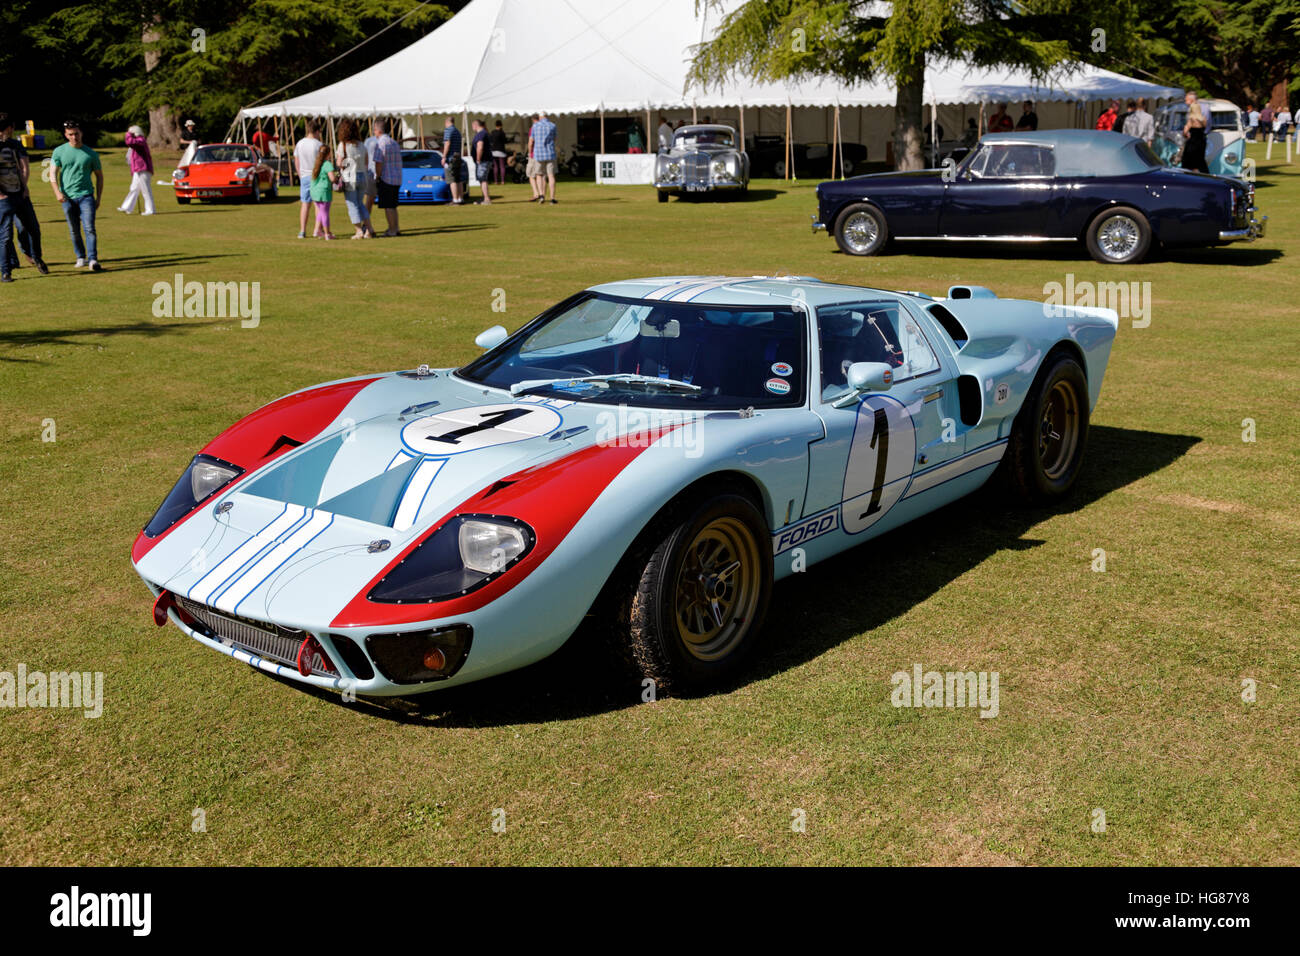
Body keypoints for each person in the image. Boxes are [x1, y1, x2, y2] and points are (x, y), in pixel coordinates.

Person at [50, 120, 103, 272]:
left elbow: (99, 176)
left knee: (89, 228)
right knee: (74, 229)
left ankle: (93, 260)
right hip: (67, 197)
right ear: (66, 135)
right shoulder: (59, 151)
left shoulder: (91, 154)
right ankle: (81, 257)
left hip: (86, 195)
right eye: (71, 134)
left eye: (76, 134)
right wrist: (57, 192)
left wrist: (98, 198)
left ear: (81, 133)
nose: (74, 137)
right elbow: (53, 174)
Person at [0, 112, 47, 282]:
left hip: (20, 194)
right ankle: (6, 271)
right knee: (5, 236)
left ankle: (37, 258)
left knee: (33, 229)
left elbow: (25, 167)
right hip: (3, 198)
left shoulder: (16, 145)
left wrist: (25, 187)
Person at [334, 118, 373, 239]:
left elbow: (340, 163)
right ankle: (369, 229)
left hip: (350, 177)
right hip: (362, 176)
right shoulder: (362, 145)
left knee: (352, 205)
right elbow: (366, 163)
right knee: (360, 204)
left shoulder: (343, 145)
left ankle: (359, 231)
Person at [372, 118, 402, 236]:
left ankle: (392, 230)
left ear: (377, 130)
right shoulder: (393, 142)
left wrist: (378, 177)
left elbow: (378, 163)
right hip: (397, 178)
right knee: (393, 206)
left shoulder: (380, 143)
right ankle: (396, 227)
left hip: (387, 178)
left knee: (388, 206)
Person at [293, 120, 323, 239]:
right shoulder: (318, 144)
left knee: (305, 204)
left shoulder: (300, 143)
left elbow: (296, 160)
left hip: (304, 176)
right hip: (316, 176)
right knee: (317, 204)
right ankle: (317, 229)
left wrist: (300, 174)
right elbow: (322, 162)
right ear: (316, 131)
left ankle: (302, 231)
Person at [117, 124, 155, 215]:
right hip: (138, 169)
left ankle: (150, 210)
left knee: (146, 189)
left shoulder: (140, 140)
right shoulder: (138, 141)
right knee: (134, 188)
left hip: (143, 169)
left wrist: (128, 134)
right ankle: (127, 207)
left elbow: (130, 142)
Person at [528, 110, 558, 204]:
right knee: (551, 176)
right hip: (550, 153)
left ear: (540, 117)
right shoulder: (553, 125)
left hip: (539, 154)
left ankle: (541, 196)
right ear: (546, 116)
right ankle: (552, 198)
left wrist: (529, 153)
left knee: (539, 175)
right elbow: (555, 139)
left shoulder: (535, 126)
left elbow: (531, 141)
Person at [308, 145, 338, 239]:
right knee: (325, 213)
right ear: (328, 154)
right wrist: (337, 178)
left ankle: (317, 231)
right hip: (324, 192)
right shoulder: (327, 164)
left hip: (314, 192)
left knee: (321, 212)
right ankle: (327, 233)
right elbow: (332, 178)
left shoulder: (316, 163)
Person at [1181, 91, 1209, 172]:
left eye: (1186, 100)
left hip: (1192, 142)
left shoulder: (1191, 119)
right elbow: (1206, 127)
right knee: (1200, 160)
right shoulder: (1203, 119)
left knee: (1188, 161)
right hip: (1202, 141)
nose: (1185, 102)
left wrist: (1185, 134)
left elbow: (1185, 131)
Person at [441, 116, 466, 204]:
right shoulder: (457, 131)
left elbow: (447, 143)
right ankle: (460, 198)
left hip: (451, 157)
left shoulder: (448, 130)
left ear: (446, 122)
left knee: (452, 179)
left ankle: (455, 199)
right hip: (458, 156)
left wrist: (444, 156)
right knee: (458, 179)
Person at [470, 118, 491, 205]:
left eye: (472, 126)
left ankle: (486, 199)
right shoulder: (483, 133)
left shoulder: (481, 134)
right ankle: (484, 198)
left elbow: (480, 147)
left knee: (483, 179)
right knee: (481, 179)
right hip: (484, 160)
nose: (472, 127)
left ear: (476, 125)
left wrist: (478, 158)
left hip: (483, 160)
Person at [524, 114, 540, 199]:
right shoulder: (542, 128)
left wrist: (529, 153)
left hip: (533, 154)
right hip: (541, 154)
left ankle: (536, 194)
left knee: (530, 175)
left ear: (533, 119)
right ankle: (541, 194)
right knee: (539, 174)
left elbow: (530, 142)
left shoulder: (533, 128)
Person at [489, 119, 508, 184]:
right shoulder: (502, 132)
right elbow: (505, 141)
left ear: (495, 125)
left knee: (495, 166)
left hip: (493, 151)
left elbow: (490, 141)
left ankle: (496, 181)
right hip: (501, 150)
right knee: (502, 166)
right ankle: (502, 181)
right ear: (501, 125)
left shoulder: (492, 132)